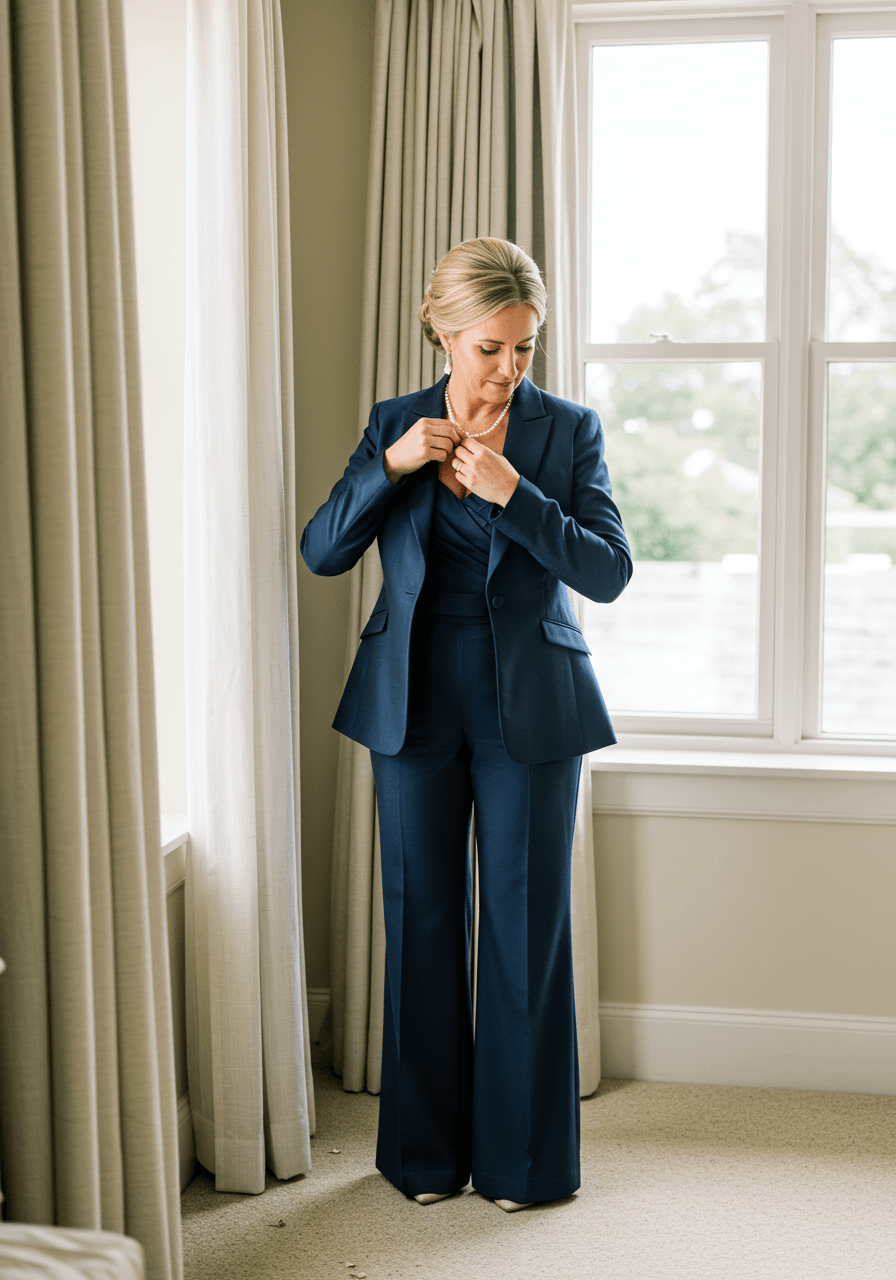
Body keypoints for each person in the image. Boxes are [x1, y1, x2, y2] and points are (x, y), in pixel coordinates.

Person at [301, 237, 632, 1212]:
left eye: (523, 348)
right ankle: (422, 1157)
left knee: (525, 930)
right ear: (442, 332)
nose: (509, 368)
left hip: (529, 699)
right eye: (490, 347)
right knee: (420, 920)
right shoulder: (393, 422)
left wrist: (515, 496)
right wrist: (390, 467)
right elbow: (322, 550)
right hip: (411, 699)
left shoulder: (565, 430)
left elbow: (605, 571)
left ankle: (525, 1166)